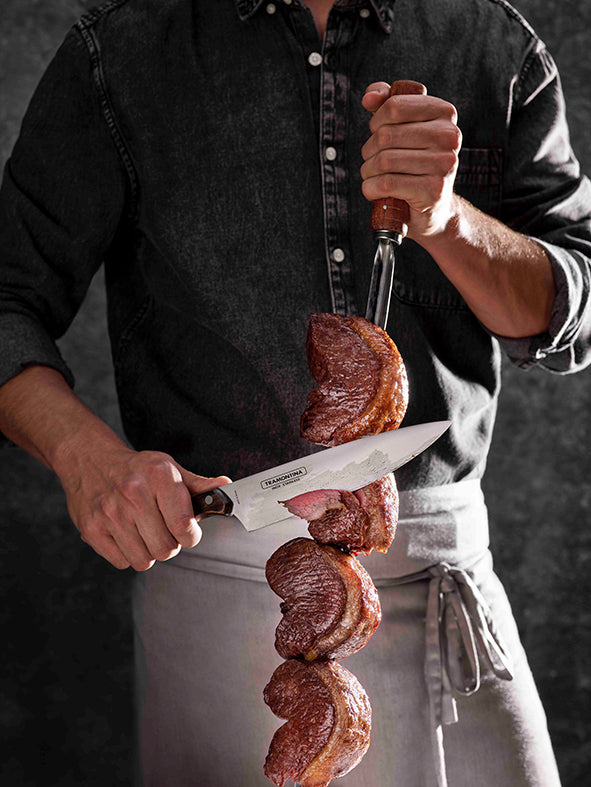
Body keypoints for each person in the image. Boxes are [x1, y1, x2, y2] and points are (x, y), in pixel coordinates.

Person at [1, 0, 589, 784]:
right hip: (213, 587)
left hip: (441, 585)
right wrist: (83, 456)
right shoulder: (123, 50)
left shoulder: (488, 40)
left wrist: (447, 220)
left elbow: (573, 317)